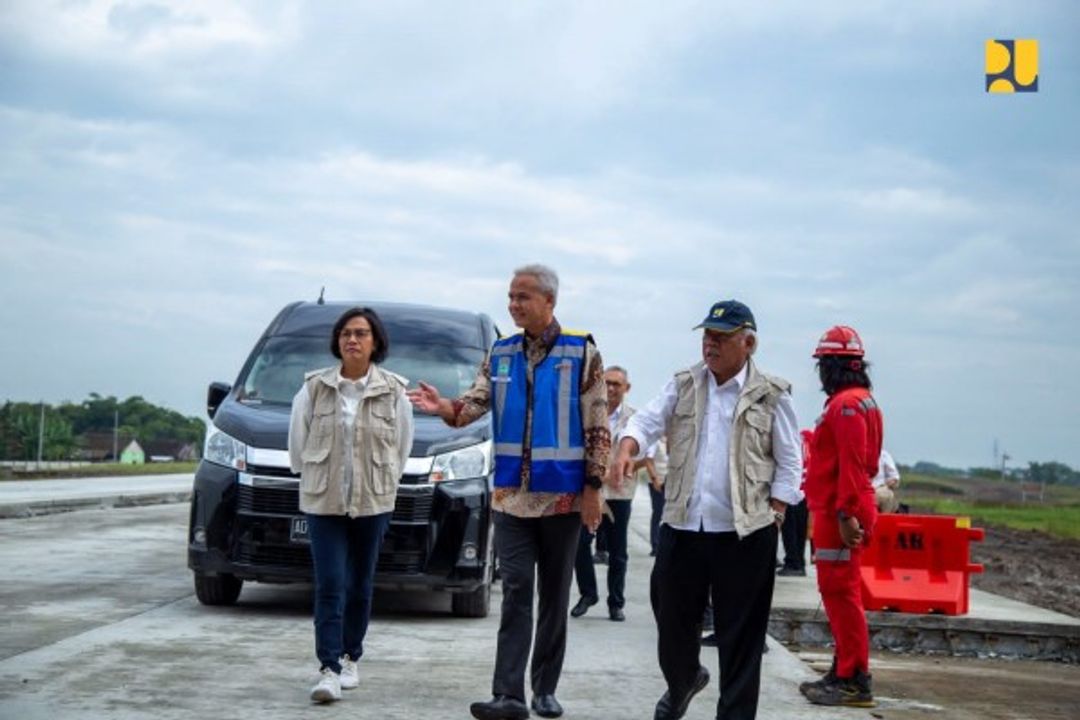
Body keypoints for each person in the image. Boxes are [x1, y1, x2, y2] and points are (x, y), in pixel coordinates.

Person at [407, 264, 608, 720]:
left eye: (523, 297)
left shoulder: (582, 352)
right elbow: (474, 404)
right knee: (517, 588)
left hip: (562, 497)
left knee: (554, 595)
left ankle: (544, 690)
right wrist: (444, 407)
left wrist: (594, 488)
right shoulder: (500, 352)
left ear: (549, 302)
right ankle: (508, 695)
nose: (514, 304)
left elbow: (598, 424)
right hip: (510, 497)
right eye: (511, 297)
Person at [610, 299, 803, 720]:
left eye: (721, 338)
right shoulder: (683, 384)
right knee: (671, 622)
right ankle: (684, 679)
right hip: (684, 525)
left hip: (746, 533)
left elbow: (791, 461)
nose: (710, 345)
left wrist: (776, 511)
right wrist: (627, 447)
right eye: (706, 337)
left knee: (741, 640)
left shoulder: (771, 395)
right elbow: (645, 423)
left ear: (748, 343)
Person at [288, 307, 414, 704]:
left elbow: (401, 449)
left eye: (361, 333)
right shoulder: (313, 389)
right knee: (329, 583)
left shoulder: (394, 391)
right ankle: (328, 668)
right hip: (323, 502)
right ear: (337, 341)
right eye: (345, 333)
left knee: (359, 584)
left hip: (374, 501)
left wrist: (381, 482)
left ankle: (349, 656)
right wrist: (314, 478)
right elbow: (298, 446)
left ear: (375, 342)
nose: (352, 340)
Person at [799, 325, 883, 708]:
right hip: (842, 507)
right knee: (838, 593)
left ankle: (853, 679)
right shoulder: (862, 400)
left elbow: (850, 464)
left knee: (842, 595)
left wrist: (847, 513)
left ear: (831, 366)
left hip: (842, 510)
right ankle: (845, 668)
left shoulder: (846, 405)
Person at [571, 365, 635, 621]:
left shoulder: (634, 418)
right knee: (580, 544)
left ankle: (616, 602)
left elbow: (638, 456)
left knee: (618, 551)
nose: (610, 389)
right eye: (607, 383)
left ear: (626, 388)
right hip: (589, 492)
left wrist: (609, 474)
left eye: (616, 384)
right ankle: (588, 593)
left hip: (619, 494)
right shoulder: (588, 412)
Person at [778, 429, 813, 576]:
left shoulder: (795, 440)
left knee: (790, 527)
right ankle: (798, 562)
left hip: (794, 487)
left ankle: (793, 562)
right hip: (805, 489)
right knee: (800, 527)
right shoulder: (807, 440)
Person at [643, 437, 669, 557]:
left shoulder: (671, 439)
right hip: (658, 482)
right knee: (658, 512)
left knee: (668, 514)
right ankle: (655, 545)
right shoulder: (655, 441)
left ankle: (664, 544)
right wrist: (654, 479)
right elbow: (648, 460)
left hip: (670, 481)